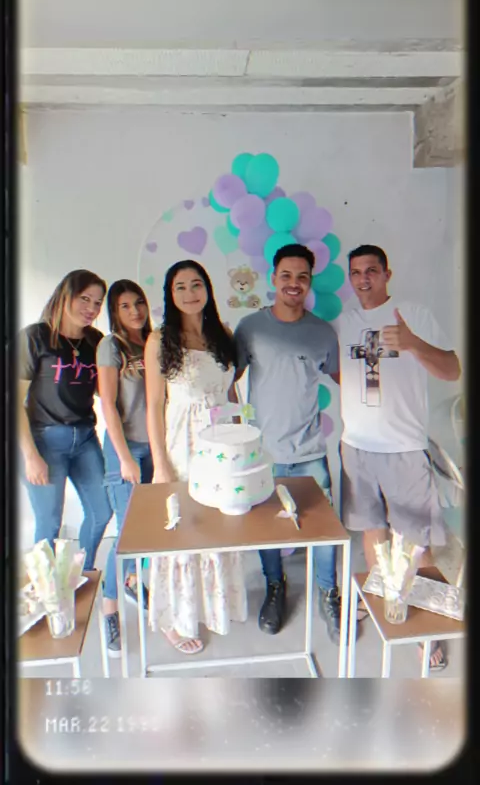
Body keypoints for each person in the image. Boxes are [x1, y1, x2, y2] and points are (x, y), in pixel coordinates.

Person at [337, 244, 461, 670]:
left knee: (415, 545)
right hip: (357, 447)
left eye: (372, 270)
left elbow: (452, 370)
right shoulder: (344, 323)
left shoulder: (414, 315)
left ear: (387, 274)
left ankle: (425, 628)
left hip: (404, 448)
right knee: (372, 532)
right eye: (356, 272)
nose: (364, 279)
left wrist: (412, 343)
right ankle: (386, 603)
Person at [233, 244, 343, 643]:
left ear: (310, 282)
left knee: (326, 529)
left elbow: (347, 381)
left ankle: (329, 591)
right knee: (267, 529)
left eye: (302, 277)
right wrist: (236, 432)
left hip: (311, 451)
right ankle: (275, 587)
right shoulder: (250, 327)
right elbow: (226, 381)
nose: (294, 283)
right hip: (264, 454)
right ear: (273, 278)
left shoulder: (323, 333)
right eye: (286, 275)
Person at [145, 260, 247, 655]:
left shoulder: (222, 334)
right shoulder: (159, 339)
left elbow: (230, 394)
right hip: (183, 444)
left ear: (208, 288)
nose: (190, 293)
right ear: (170, 295)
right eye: (180, 287)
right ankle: (175, 619)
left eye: (196, 284)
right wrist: (160, 464)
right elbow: (154, 405)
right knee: (184, 528)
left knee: (217, 525)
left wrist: (240, 442)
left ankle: (212, 607)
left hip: (221, 444)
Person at [18, 269, 112, 570]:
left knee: (102, 511)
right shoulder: (35, 337)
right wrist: (30, 456)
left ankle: (80, 574)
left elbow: (106, 392)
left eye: (97, 302)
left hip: (85, 439)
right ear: (65, 295)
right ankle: (47, 589)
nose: (92, 308)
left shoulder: (95, 341)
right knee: (49, 522)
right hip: (45, 440)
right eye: (85, 298)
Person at [96, 279, 153, 657]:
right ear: (114, 312)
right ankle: (109, 610)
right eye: (125, 306)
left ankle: (132, 580)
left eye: (139, 303)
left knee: (149, 529)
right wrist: (125, 459)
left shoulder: (153, 341)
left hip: (156, 448)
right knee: (127, 533)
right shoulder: (111, 346)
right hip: (126, 449)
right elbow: (108, 406)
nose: (135, 311)